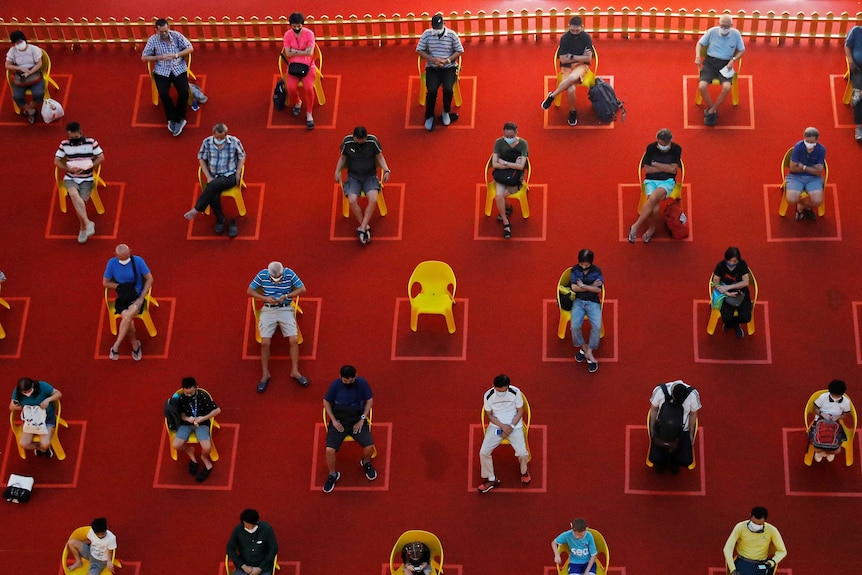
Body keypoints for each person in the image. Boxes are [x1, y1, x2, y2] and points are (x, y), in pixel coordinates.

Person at [247, 261, 308, 392]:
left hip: (285, 309)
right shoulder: (262, 275)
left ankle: (295, 371)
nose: (276, 280)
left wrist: (287, 296)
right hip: (268, 309)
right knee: (265, 343)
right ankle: (265, 374)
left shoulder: (289, 273)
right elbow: (249, 291)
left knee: (294, 340)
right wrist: (263, 298)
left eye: (279, 278)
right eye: (273, 279)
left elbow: (302, 289)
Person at [184, 123, 247, 238]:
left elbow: (242, 156)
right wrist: (207, 176)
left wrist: (238, 173)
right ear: (213, 134)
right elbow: (201, 159)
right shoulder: (206, 143)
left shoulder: (234, 142)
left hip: (230, 175)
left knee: (211, 186)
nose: (219, 140)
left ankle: (197, 208)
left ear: (226, 135)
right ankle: (221, 218)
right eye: (217, 137)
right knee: (213, 193)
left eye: (221, 138)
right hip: (213, 176)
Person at [322, 365, 377, 493]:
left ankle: (366, 462)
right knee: (329, 450)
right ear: (340, 377)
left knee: (370, 447)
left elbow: (369, 400)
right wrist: (334, 421)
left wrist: (362, 418)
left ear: (355, 376)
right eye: (345, 381)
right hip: (339, 422)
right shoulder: (335, 385)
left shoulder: (362, 383)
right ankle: (332, 474)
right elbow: (326, 402)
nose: (348, 383)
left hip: (357, 420)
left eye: (351, 381)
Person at [334, 126, 392, 245]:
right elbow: (342, 158)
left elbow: (380, 157)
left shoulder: (372, 141)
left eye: (363, 141)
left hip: (370, 177)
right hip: (353, 177)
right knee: (352, 200)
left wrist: (386, 170)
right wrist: (337, 171)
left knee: (373, 199)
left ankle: (362, 228)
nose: (361, 143)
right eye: (358, 141)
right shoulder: (347, 142)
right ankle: (364, 227)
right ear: (354, 137)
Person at [54, 122, 105, 244]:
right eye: (71, 138)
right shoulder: (64, 144)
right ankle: (87, 223)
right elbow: (56, 161)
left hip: (87, 178)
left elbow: (101, 157)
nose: (73, 140)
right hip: (70, 177)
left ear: (81, 133)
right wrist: (67, 168)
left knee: (79, 203)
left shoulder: (91, 142)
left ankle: (83, 227)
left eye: (75, 137)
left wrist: (90, 166)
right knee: (73, 194)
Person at [476, 374, 529, 493]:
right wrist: (503, 427)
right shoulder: (488, 395)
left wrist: (510, 426)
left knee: (522, 453)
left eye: (503, 390)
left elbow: (520, 411)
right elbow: (489, 414)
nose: (501, 393)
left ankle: (524, 471)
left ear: (508, 387)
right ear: (494, 387)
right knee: (483, 452)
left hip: (514, 426)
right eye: (498, 390)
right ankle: (491, 479)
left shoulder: (515, 392)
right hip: (497, 426)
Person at [141, 18, 193, 136]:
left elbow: (190, 48)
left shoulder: (176, 36)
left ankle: (180, 117)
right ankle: (172, 117)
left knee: (184, 92)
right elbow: (144, 57)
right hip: (162, 70)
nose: (164, 33)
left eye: (166, 31)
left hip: (178, 68)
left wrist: (176, 55)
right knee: (164, 94)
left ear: (168, 28)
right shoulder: (153, 40)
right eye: (161, 32)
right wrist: (159, 57)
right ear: (156, 30)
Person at [628, 129, 681, 243]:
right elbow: (648, 169)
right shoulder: (651, 147)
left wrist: (656, 164)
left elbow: (673, 170)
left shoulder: (676, 149)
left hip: (667, 181)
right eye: (660, 144)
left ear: (670, 141)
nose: (662, 146)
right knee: (655, 208)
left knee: (652, 199)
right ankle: (652, 228)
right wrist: (665, 167)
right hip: (650, 180)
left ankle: (636, 226)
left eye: (664, 144)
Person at [103, 243, 154, 360]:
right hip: (123, 298)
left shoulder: (138, 261)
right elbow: (105, 283)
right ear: (115, 255)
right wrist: (119, 287)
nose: (124, 260)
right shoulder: (111, 264)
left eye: (126, 257)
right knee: (128, 319)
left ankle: (116, 345)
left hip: (137, 297)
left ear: (130, 251)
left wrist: (141, 298)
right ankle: (135, 343)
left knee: (128, 316)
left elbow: (150, 278)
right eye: (121, 258)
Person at [541, 16, 594, 126]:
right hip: (566, 67)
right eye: (572, 30)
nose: (574, 32)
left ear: (582, 27)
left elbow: (588, 59)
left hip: (581, 66)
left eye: (577, 30)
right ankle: (572, 110)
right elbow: (563, 59)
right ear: (568, 26)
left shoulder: (586, 37)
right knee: (571, 88)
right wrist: (580, 57)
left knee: (571, 78)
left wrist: (571, 56)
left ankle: (553, 95)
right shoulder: (564, 38)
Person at [416, 13, 464, 131]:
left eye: (440, 27)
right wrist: (432, 59)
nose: (437, 30)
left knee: (448, 89)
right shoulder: (427, 34)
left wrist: (447, 60)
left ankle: (446, 111)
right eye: (435, 28)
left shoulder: (452, 35)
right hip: (433, 68)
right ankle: (429, 115)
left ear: (444, 24)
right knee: (431, 90)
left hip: (449, 67)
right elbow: (419, 50)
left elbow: (460, 51)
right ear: (432, 26)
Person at [695, 14, 745, 126]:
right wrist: (698, 55)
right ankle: (711, 107)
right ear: (718, 24)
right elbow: (699, 43)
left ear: (731, 25)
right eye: (722, 25)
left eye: (727, 26)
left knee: (726, 87)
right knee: (702, 86)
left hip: (726, 64)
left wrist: (733, 59)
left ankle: (712, 111)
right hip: (710, 63)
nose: (724, 28)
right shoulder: (712, 31)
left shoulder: (736, 34)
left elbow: (742, 50)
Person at [171, 377, 221, 482]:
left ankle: (204, 458)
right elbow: (181, 415)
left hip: (202, 423)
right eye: (186, 393)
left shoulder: (203, 397)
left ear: (197, 388)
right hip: (186, 424)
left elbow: (217, 410)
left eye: (192, 393)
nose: (189, 395)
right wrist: (187, 418)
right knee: (175, 445)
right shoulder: (181, 398)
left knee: (207, 447)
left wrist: (203, 418)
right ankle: (189, 451)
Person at [647, 380, 701, 474]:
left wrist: (690, 435)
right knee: (656, 459)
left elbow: (693, 415)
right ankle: (661, 463)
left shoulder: (693, 395)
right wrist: (652, 430)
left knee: (685, 460)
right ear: (671, 393)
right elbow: (654, 410)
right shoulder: (660, 391)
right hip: (662, 429)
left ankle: (674, 462)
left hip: (682, 431)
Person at [490, 122, 528, 240]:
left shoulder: (523, 144)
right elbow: (495, 163)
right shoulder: (498, 142)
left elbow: (521, 167)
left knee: (500, 196)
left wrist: (504, 163)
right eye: (507, 136)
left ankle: (508, 208)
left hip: (516, 177)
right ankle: (506, 223)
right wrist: (512, 165)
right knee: (498, 196)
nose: (509, 139)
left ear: (517, 133)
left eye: (512, 137)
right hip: (502, 175)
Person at [722, 507, 787, 575]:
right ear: (750, 516)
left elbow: (782, 551)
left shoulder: (771, 530)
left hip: (760, 566)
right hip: (742, 564)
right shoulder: (740, 527)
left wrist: (772, 562)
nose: (756, 525)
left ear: (765, 520)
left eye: (759, 524)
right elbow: (727, 549)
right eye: (754, 522)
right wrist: (732, 569)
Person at [9, 377, 62, 458]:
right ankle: (41, 448)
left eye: (29, 391)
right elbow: (11, 407)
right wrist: (15, 407)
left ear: (33, 385)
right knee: (24, 444)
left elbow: (58, 394)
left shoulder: (42, 386)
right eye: (24, 392)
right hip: (30, 422)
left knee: (45, 444)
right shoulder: (17, 391)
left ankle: (45, 448)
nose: (27, 394)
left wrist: (48, 400)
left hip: (47, 420)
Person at [570, 249, 603, 373]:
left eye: (586, 265)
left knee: (597, 326)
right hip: (578, 302)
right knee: (574, 327)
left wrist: (582, 286)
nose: (583, 267)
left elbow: (598, 290)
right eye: (581, 264)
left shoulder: (597, 271)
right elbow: (574, 288)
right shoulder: (575, 270)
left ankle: (589, 351)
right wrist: (591, 287)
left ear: (591, 263)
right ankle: (584, 348)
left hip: (593, 302)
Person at [282, 13, 318, 130]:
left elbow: (310, 52)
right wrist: (302, 51)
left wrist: (295, 51)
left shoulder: (309, 34)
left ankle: (309, 113)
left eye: (299, 26)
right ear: (290, 25)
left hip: (309, 66)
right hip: (293, 66)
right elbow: (287, 53)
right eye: (294, 26)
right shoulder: (287, 35)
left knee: (308, 88)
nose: (296, 28)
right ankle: (298, 101)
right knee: (291, 88)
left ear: (302, 24)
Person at [784, 126, 826, 221]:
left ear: (816, 140)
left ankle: (800, 206)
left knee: (817, 202)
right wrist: (812, 168)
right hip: (795, 177)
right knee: (791, 200)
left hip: (813, 178)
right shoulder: (798, 147)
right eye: (807, 141)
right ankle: (806, 207)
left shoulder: (821, 150)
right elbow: (793, 168)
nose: (809, 144)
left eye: (811, 142)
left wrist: (803, 166)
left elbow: (818, 171)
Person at [4, 31, 45, 125]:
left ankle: (31, 105)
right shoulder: (12, 51)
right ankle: (31, 111)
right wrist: (19, 68)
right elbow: (7, 65)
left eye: (20, 41)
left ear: (24, 40)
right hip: (20, 76)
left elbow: (39, 63)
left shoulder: (34, 49)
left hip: (34, 73)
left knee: (39, 93)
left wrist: (30, 72)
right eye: (16, 43)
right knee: (17, 96)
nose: (19, 44)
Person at [809, 379, 854, 462]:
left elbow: (846, 414)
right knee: (817, 449)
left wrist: (837, 417)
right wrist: (822, 414)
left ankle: (826, 452)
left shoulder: (846, 402)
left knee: (837, 450)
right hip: (820, 419)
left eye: (837, 396)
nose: (835, 397)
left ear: (842, 394)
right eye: (833, 395)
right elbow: (814, 408)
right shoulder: (823, 397)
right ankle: (824, 452)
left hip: (835, 422)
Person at [711, 246, 751, 340]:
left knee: (746, 317)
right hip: (726, 294)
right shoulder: (720, 266)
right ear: (726, 259)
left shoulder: (742, 264)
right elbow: (715, 282)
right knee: (726, 318)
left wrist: (729, 287)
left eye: (735, 261)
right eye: (730, 261)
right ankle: (732, 324)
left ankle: (736, 324)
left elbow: (745, 282)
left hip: (741, 293)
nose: (732, 264)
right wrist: (726, 293)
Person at [226, 509, 278, 575]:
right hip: (243, 568)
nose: (250, 528)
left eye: (252, 526)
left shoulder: (267, 529)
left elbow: (273, 548)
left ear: (257, 521)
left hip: (263, 568)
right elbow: (230, 549)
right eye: (247, 526)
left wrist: (260, 568)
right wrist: (243, 566)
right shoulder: (237, 530)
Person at [845, 25, 862, 140]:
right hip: (858, 69)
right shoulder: (856, 31)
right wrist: (850, 60)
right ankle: (859, 127)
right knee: (858, 98)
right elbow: (847, 45)